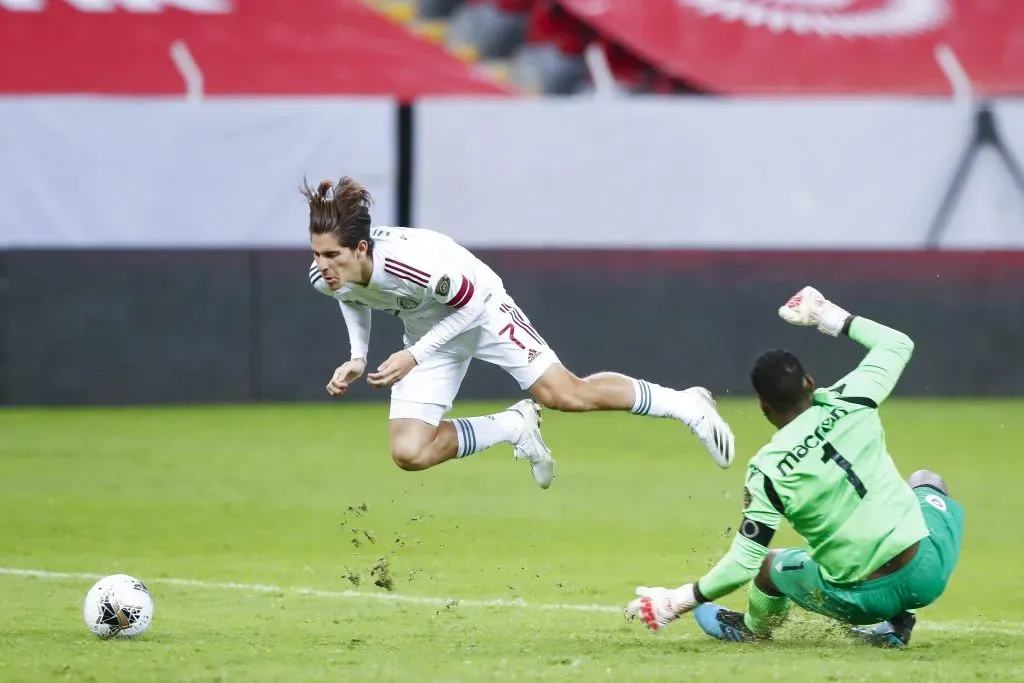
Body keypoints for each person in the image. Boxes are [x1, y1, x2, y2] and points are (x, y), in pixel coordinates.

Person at [305, 176, 735, 489]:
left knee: (566, 394)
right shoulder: (326, 275)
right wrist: (357, 356)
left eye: (332, 255)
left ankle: (684, 403)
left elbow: (469, 305)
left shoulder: (410, 265)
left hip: (481, 307)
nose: (324, 265)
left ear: (360, 249)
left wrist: (414, 356)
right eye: (317, 254)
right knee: (409, 452)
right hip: (426, 328)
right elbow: (351, 296)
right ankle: (513, 425)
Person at [624, 286, 964, 648]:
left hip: (863, 599)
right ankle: (897, 624)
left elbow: (744, 563)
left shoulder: (767, 471)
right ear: (810, 383)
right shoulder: (854, 397)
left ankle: (753, 628)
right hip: (928, 570)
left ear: (764, 407)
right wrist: (829, 315)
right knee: (926, 480)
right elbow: (898, 344)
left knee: (770, 566)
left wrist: (677, 600)